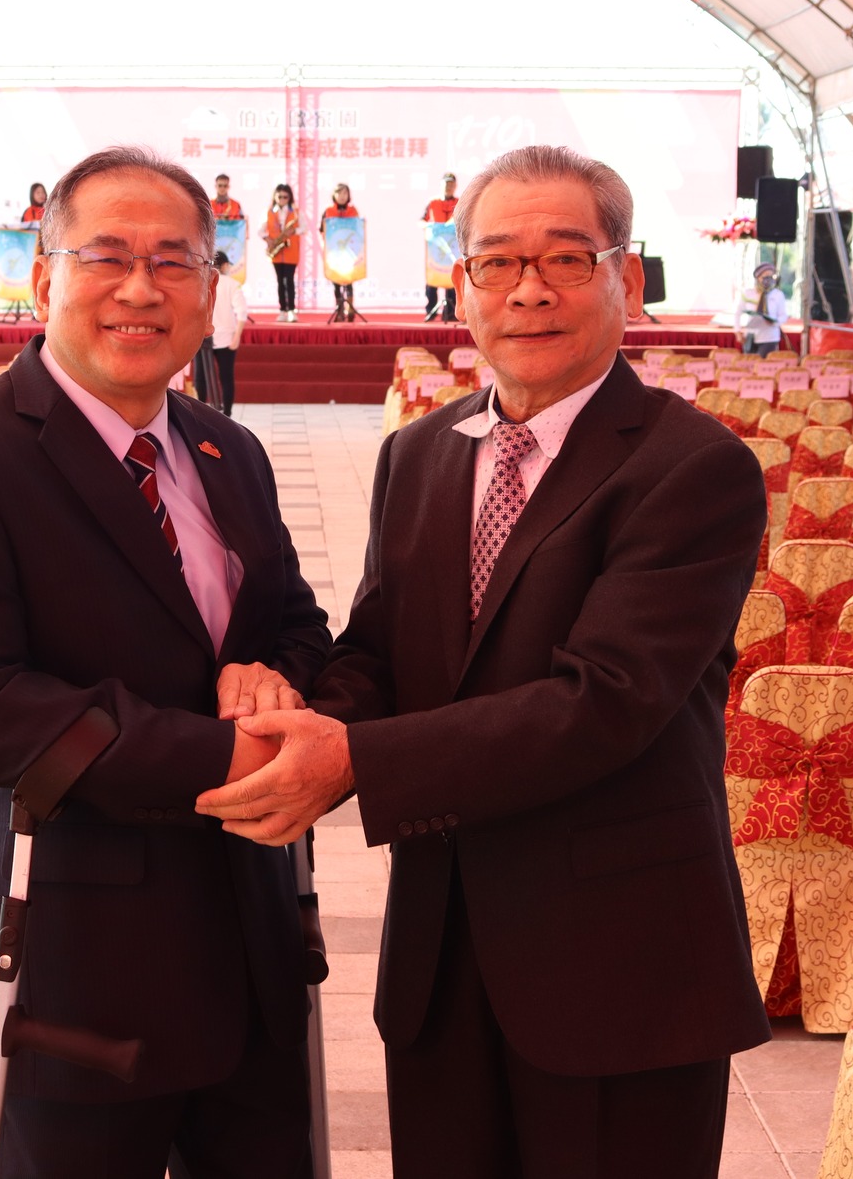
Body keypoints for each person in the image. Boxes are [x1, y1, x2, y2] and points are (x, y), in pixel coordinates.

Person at [197, 145, 771, 1178]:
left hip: (617, 964)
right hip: (441, 958)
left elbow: (602, 703)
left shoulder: (691, 468)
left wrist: (353, 761)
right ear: (461, 285)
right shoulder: (419, 454)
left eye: (565, 258)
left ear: (627, 278)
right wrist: (291, 709)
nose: (529, 290)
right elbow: (379, 651)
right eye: (497, 262)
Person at [0, 146, 332, 1176]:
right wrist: (235, 758)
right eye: (107, 256)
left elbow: (294, 626)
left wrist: (277, 683)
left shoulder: (227, 450)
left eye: (174, 261)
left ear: (209, 290)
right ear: (44, 276)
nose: (140, 288)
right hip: (78, 974)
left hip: (252, 951)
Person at [208, 249, 248, 417]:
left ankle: (200, 412)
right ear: (224, 265)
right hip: (226, 338)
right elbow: (242, 312)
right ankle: (227, 414)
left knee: (202, 378)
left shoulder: (202, 282)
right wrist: (237, 337)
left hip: (204, 338)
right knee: (226, 377)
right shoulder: (232, 284)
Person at [422, 173, 459, 322]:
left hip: (453, 249)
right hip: (435, 249)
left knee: (452, 279)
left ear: (455, 186)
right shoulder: (433, 203)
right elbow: (421, 221)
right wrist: (429, 226)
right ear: (441, 185)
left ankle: (450, 312)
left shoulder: (460, 203)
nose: (448, 187)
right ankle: (431, 310)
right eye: (446, 184)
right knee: (432, 280)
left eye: (451, 184)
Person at [320, 183, 360, 319]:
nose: (342, 196)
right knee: (336, 281)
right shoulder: (328, 211)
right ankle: (339, 310)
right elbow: (322, 230)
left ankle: (350, 308)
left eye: (345, 193)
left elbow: (357, 230)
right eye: (339, 193)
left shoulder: (353, 211)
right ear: (334, 195)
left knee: (348, 280)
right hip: (334, 252)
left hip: (349, 252)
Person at [262, 183, 301, 323]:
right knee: (280, 281)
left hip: (291, 251)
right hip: (277, 251)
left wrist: (294, 230)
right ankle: (282, 310)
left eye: (286, 197)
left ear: (290, 197)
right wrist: (268, 239)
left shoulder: (296, 212)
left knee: (289, 280)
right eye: (280, 197)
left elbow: (304, 228)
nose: (283, 199)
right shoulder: (269, 212)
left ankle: (291, 310)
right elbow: (260, 230)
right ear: (275, 197)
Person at [741, 261, 787, 356]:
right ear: (758, 277)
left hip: (770, 337)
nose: (768, 280)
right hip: (751, 336)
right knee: (749, 362)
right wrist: (737, 330)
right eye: (765, 276)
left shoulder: (778, 294)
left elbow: (783, 315)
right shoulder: (749, 293)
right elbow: (738, 312)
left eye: (771, 276)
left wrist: (774, 322)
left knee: (765, 363)